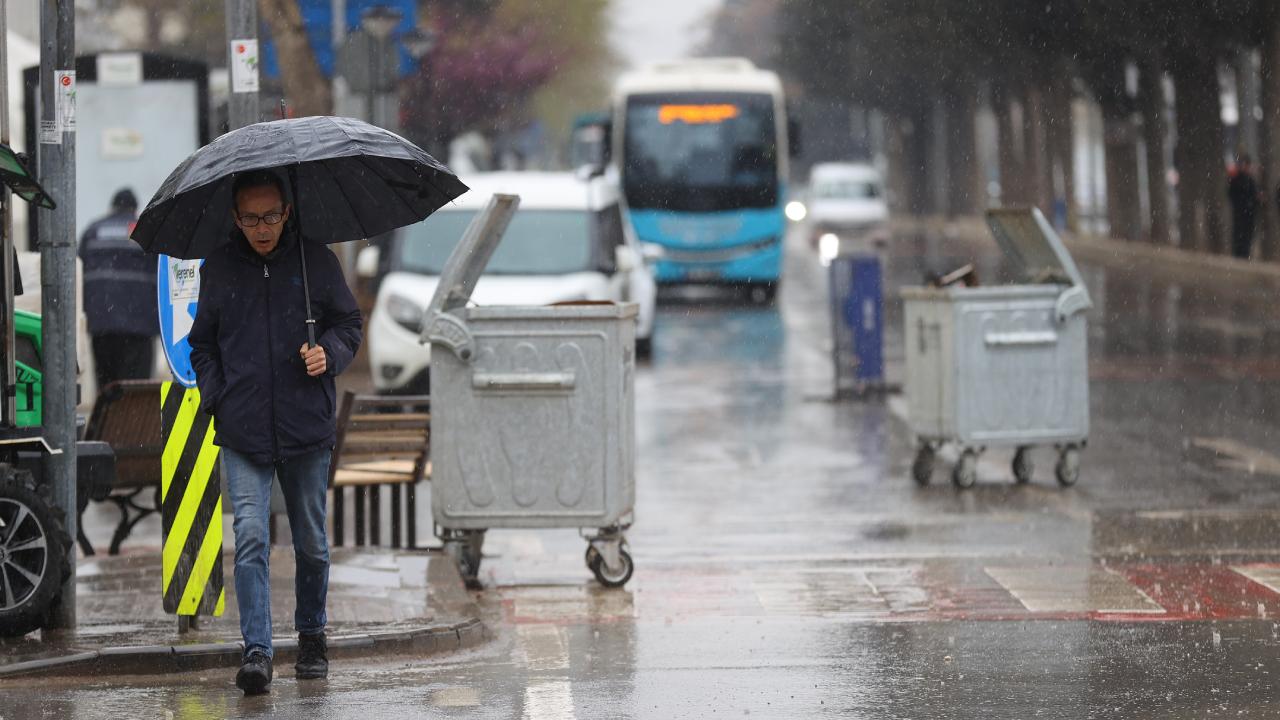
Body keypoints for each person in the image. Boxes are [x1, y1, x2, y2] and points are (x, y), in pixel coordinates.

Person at [188, 170, 362, 694]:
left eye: (269, 216)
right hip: (242, 430)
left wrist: (327, 353)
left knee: (310, 542)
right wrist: (219, 396)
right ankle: (258, 650)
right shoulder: (218, 267)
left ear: (287, 212)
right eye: (249, 218)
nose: (260, 228)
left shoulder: (316, 262)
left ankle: (311, 634)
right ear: (235, 218)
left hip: (305, 426)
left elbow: (348, 324)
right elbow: (203, 345)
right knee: (251, 538)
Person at [78, 188, 158, 390]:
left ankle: (109, 419)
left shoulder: (93, 231)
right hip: (140, 326)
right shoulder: (147, 230)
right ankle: (134, 422)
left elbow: (79, 272)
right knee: (137, 387)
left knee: (108, 386)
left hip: (102, 323)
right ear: (134, 208)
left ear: (113, 206)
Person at [1227, 154, 1261, 259]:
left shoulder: (1250, 180)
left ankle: (1244, 254)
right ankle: (1238, 254)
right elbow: (1232, 194)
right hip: (1240, 212)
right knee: (1239, 234)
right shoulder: (1237, 179)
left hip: (1249, 214)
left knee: (1247, 235)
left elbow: (1255, 196)